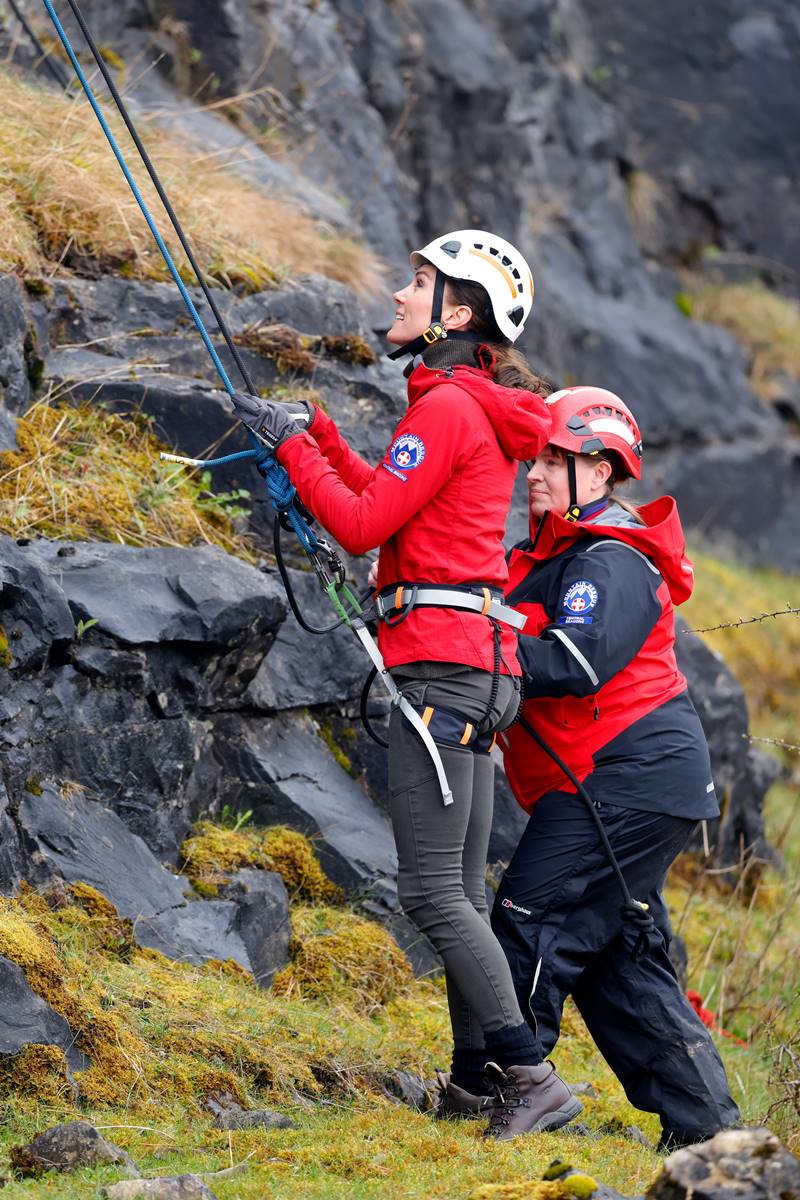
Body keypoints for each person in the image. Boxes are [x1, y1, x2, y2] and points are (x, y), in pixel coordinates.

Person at [231, 230, 584, 1140]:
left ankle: (529, 1076)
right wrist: (316, 437)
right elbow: (391, 504)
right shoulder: (470, 408)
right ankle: (477, 1081)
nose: (399, 294)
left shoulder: (448, 411)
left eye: (419, 283)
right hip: (476, 666)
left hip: (440, 665)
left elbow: (354, 525)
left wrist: (297, 456)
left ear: (456, 315)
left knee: (431, 892)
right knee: (461, 892)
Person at [491, 385, 741, 1149]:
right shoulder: (556, 555)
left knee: (526, 922)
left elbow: (574, 659)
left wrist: (472, 649)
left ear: (599, 472)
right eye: (533, 456)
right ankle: (709, 1132)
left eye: (555, 459)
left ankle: (513, 1084)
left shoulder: (611, 557)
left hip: (623, 776)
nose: (533, 472)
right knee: (614, 958)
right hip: (633, 779)